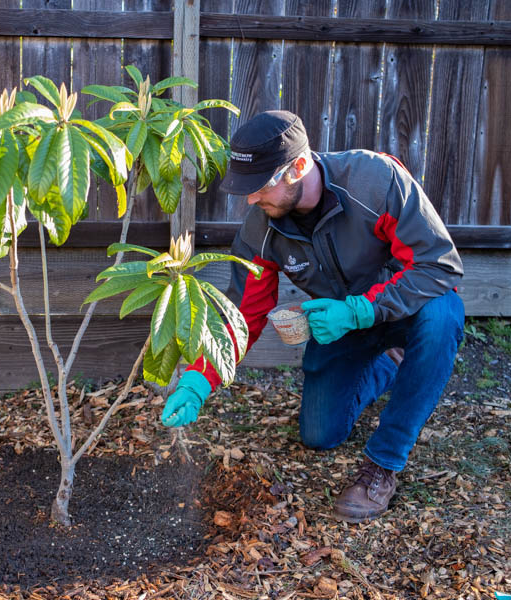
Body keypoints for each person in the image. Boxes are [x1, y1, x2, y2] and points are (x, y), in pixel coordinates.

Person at [161, 110, 465, 523]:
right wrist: (200, 377)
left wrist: (362, 310)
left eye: (261, 186)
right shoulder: (261, 229)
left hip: (402, 309)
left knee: (443, 314)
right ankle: (389, 366)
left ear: (299, 167)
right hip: (341, 328)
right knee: (320, 434)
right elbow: (244, 314)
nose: (251, 199)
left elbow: (439, 266)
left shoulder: (376, 181)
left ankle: (384, 464)